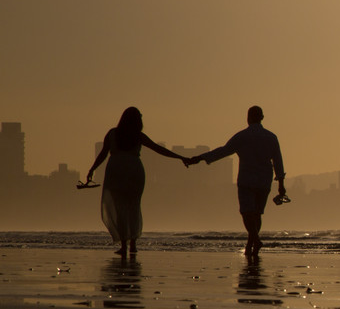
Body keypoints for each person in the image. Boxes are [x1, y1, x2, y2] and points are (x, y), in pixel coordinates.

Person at [86, 107, 192, 257]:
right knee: (133, 206)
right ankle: (133, 244)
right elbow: (158, 149)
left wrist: (92, 170)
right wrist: (180, 157)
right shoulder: (138, 136)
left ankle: (124, 245)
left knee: (119, 208)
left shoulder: (113, 134)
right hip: (134, 171)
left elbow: (103, 153)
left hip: (116, 171)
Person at [188, 106, 285, 257]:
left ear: (248, 118)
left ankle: (255, 240)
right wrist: (281, 185)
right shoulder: (271, 137)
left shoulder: (242, 136)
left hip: (246, 180)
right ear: (262, 117)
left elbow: (223, 151)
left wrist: (200, 158)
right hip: (264, 180)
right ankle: (251, 244)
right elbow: (278, 161)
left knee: (247, 213)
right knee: (257, 214)